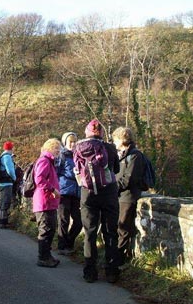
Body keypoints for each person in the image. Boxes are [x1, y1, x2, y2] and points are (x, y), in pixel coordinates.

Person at [74, 119, 122, 283]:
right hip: (108, 193)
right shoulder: (109, 147)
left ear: (86, 133)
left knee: (90, 233)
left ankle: (90, 272)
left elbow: (76, 170)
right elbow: (116, 169)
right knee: (110, 232)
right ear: (101, 133)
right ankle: (111, 272)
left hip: (87, 194)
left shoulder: (78, 148)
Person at [112, 126, 145, 264]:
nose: (114, 142)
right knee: (117, 227)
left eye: (115, 139)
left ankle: (118, 260)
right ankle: (114, 257)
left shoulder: (135, 155)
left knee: (123, 228)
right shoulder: (123, 154)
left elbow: (129, 178)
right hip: (120, 196)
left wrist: (113, 187)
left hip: (128, 197)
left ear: (121, 139)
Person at [32, 138, 62, 267]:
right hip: (44, 201)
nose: (58, 152)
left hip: (48, 201)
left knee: (50, 229)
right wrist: (52, 189)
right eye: (56, 148)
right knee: (45, 230)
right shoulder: (44, 161)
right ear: (49, 148)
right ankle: (43, 257)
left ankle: (47, 255)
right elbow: (39, 179)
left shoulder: (49, 162)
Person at [56, 132, 82, 255]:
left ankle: (69, 243)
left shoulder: (79, 155)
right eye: (70, 141)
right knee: (63, 220)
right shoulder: (61, 156)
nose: (73, 144)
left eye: (74, 141)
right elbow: (55, 174)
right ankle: (61, 246)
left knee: (79, 221)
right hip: (64, 191)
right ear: (65, 142)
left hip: (76, 192)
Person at [0, 141, 16, 229]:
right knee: (5, 202)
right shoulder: (7, 157)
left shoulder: (2, 156)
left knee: (2, 202)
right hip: (7, 183)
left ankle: (1, 221)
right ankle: (3, 223)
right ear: (11, 148)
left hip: (1, 182)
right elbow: (10, 170)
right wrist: (14, 178)